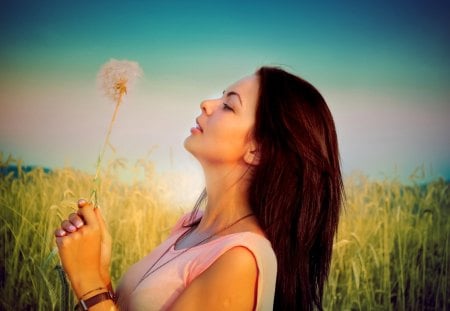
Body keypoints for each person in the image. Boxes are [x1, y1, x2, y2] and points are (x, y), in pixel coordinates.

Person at [55, 66, 344, 310]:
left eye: (229, 105)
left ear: (258, 151)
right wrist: (100, 272)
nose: (207, 103)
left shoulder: (241, 260)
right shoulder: (191, 227)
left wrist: (89, 283)